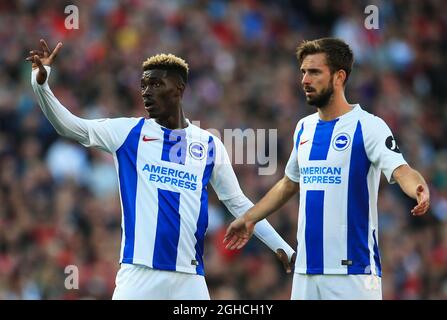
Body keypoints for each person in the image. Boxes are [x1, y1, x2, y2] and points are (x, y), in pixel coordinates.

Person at [27, 39, 296, 300]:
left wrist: (282, 247)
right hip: (139, 274)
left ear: (179, 88)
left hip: (190, 277)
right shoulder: (128, 133)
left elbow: (238, 204)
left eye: (156, 84)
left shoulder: (209, 144)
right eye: (144, 85)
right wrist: (41, 83)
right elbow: (69, 126)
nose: (146, 91)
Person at [223, 37, 430, 300]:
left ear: (338, 77)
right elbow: (289, 182)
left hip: (353, 272)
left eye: (314, 72)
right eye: (303, 72)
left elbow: (401, 170)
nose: (305, 80)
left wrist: (418, 188)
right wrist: (250, 217)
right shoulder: (304, 127)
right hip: (306, 272)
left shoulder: (368, 126)